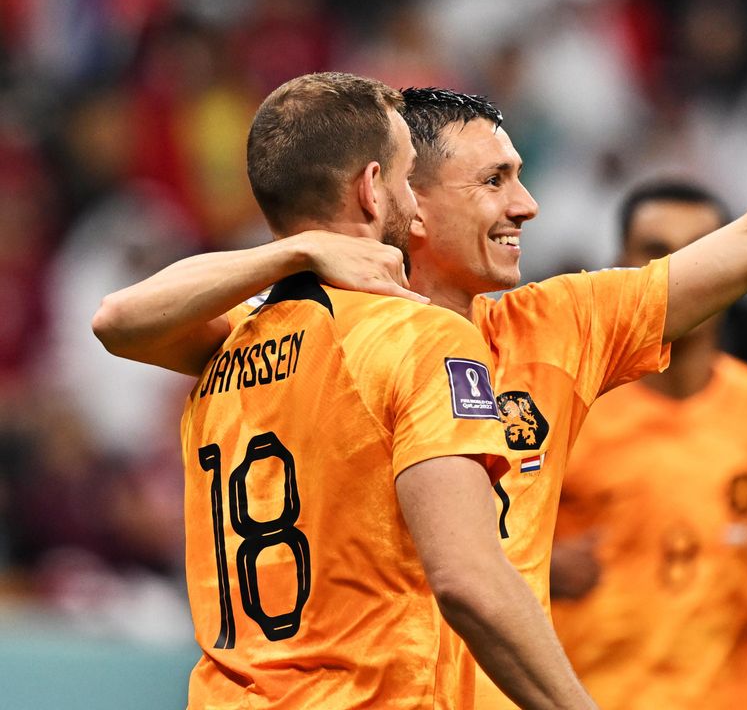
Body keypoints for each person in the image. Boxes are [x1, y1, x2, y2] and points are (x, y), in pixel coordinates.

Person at [94, 0, 747, 709]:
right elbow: (468, 581)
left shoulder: (262, 338)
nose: (526, 204)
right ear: (401, 198)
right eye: (494, 181)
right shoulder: (407, 343)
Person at [92, 72, 595, 710]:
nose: (415, 206)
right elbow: (469, 577)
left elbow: (115, 318)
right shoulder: (419, 336)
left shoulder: (230, 344)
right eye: (407, 179)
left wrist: (292, 251)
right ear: (371, 187)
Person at [549, 181, 747, 709]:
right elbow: (470, 570)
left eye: (702, 249)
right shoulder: (560, 406)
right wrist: (538, 573)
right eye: (656, 251)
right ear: (617, 266)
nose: (681, 270)